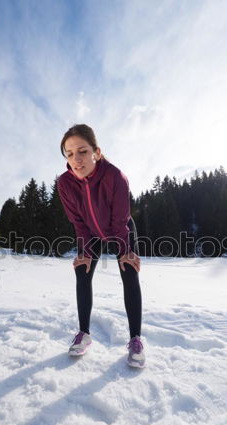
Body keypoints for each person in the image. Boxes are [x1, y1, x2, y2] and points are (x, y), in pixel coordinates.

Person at [57, 124, 144, 368]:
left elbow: (119, 221)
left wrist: (126, 250)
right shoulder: (64, 183)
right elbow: (78, 221)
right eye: (69, 153)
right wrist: (84, 252)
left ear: (96, 151)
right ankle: (83, 333)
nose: (76, 159)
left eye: (82, 151)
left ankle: (135, 340)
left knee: (129, 273)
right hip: (90, 233)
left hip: (120, 229)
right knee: (82, 272)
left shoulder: (115, 176)